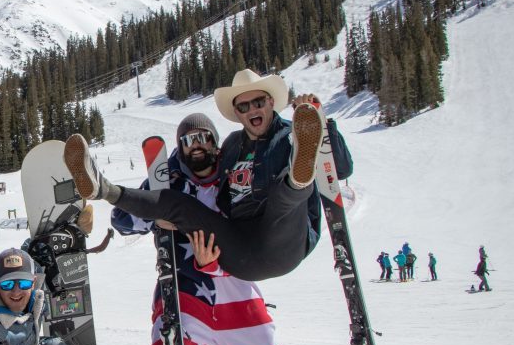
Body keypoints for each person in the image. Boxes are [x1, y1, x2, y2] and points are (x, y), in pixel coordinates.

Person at [63, 69, 352, 282]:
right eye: (244, 106)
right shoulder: (232, 147)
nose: (252, 109)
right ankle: (103, 189)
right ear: (237, 113)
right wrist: (166, 198)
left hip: (283, 242)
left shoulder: (293, 134)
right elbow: (192, 167)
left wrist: (321, 125)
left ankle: (298, 178)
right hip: (239, 252)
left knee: (283, 194)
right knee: (179, 203)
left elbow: (340, 169)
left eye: (259, 102)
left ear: (271, 103)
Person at [112, 114, 287, 345]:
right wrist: (153, 214)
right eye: (188, 141)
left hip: (235, 286)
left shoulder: (234, 175)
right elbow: (123, 219)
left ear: (215, 141)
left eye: (203, 138)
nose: (196, 147)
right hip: (185, 287)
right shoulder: (169, 179)